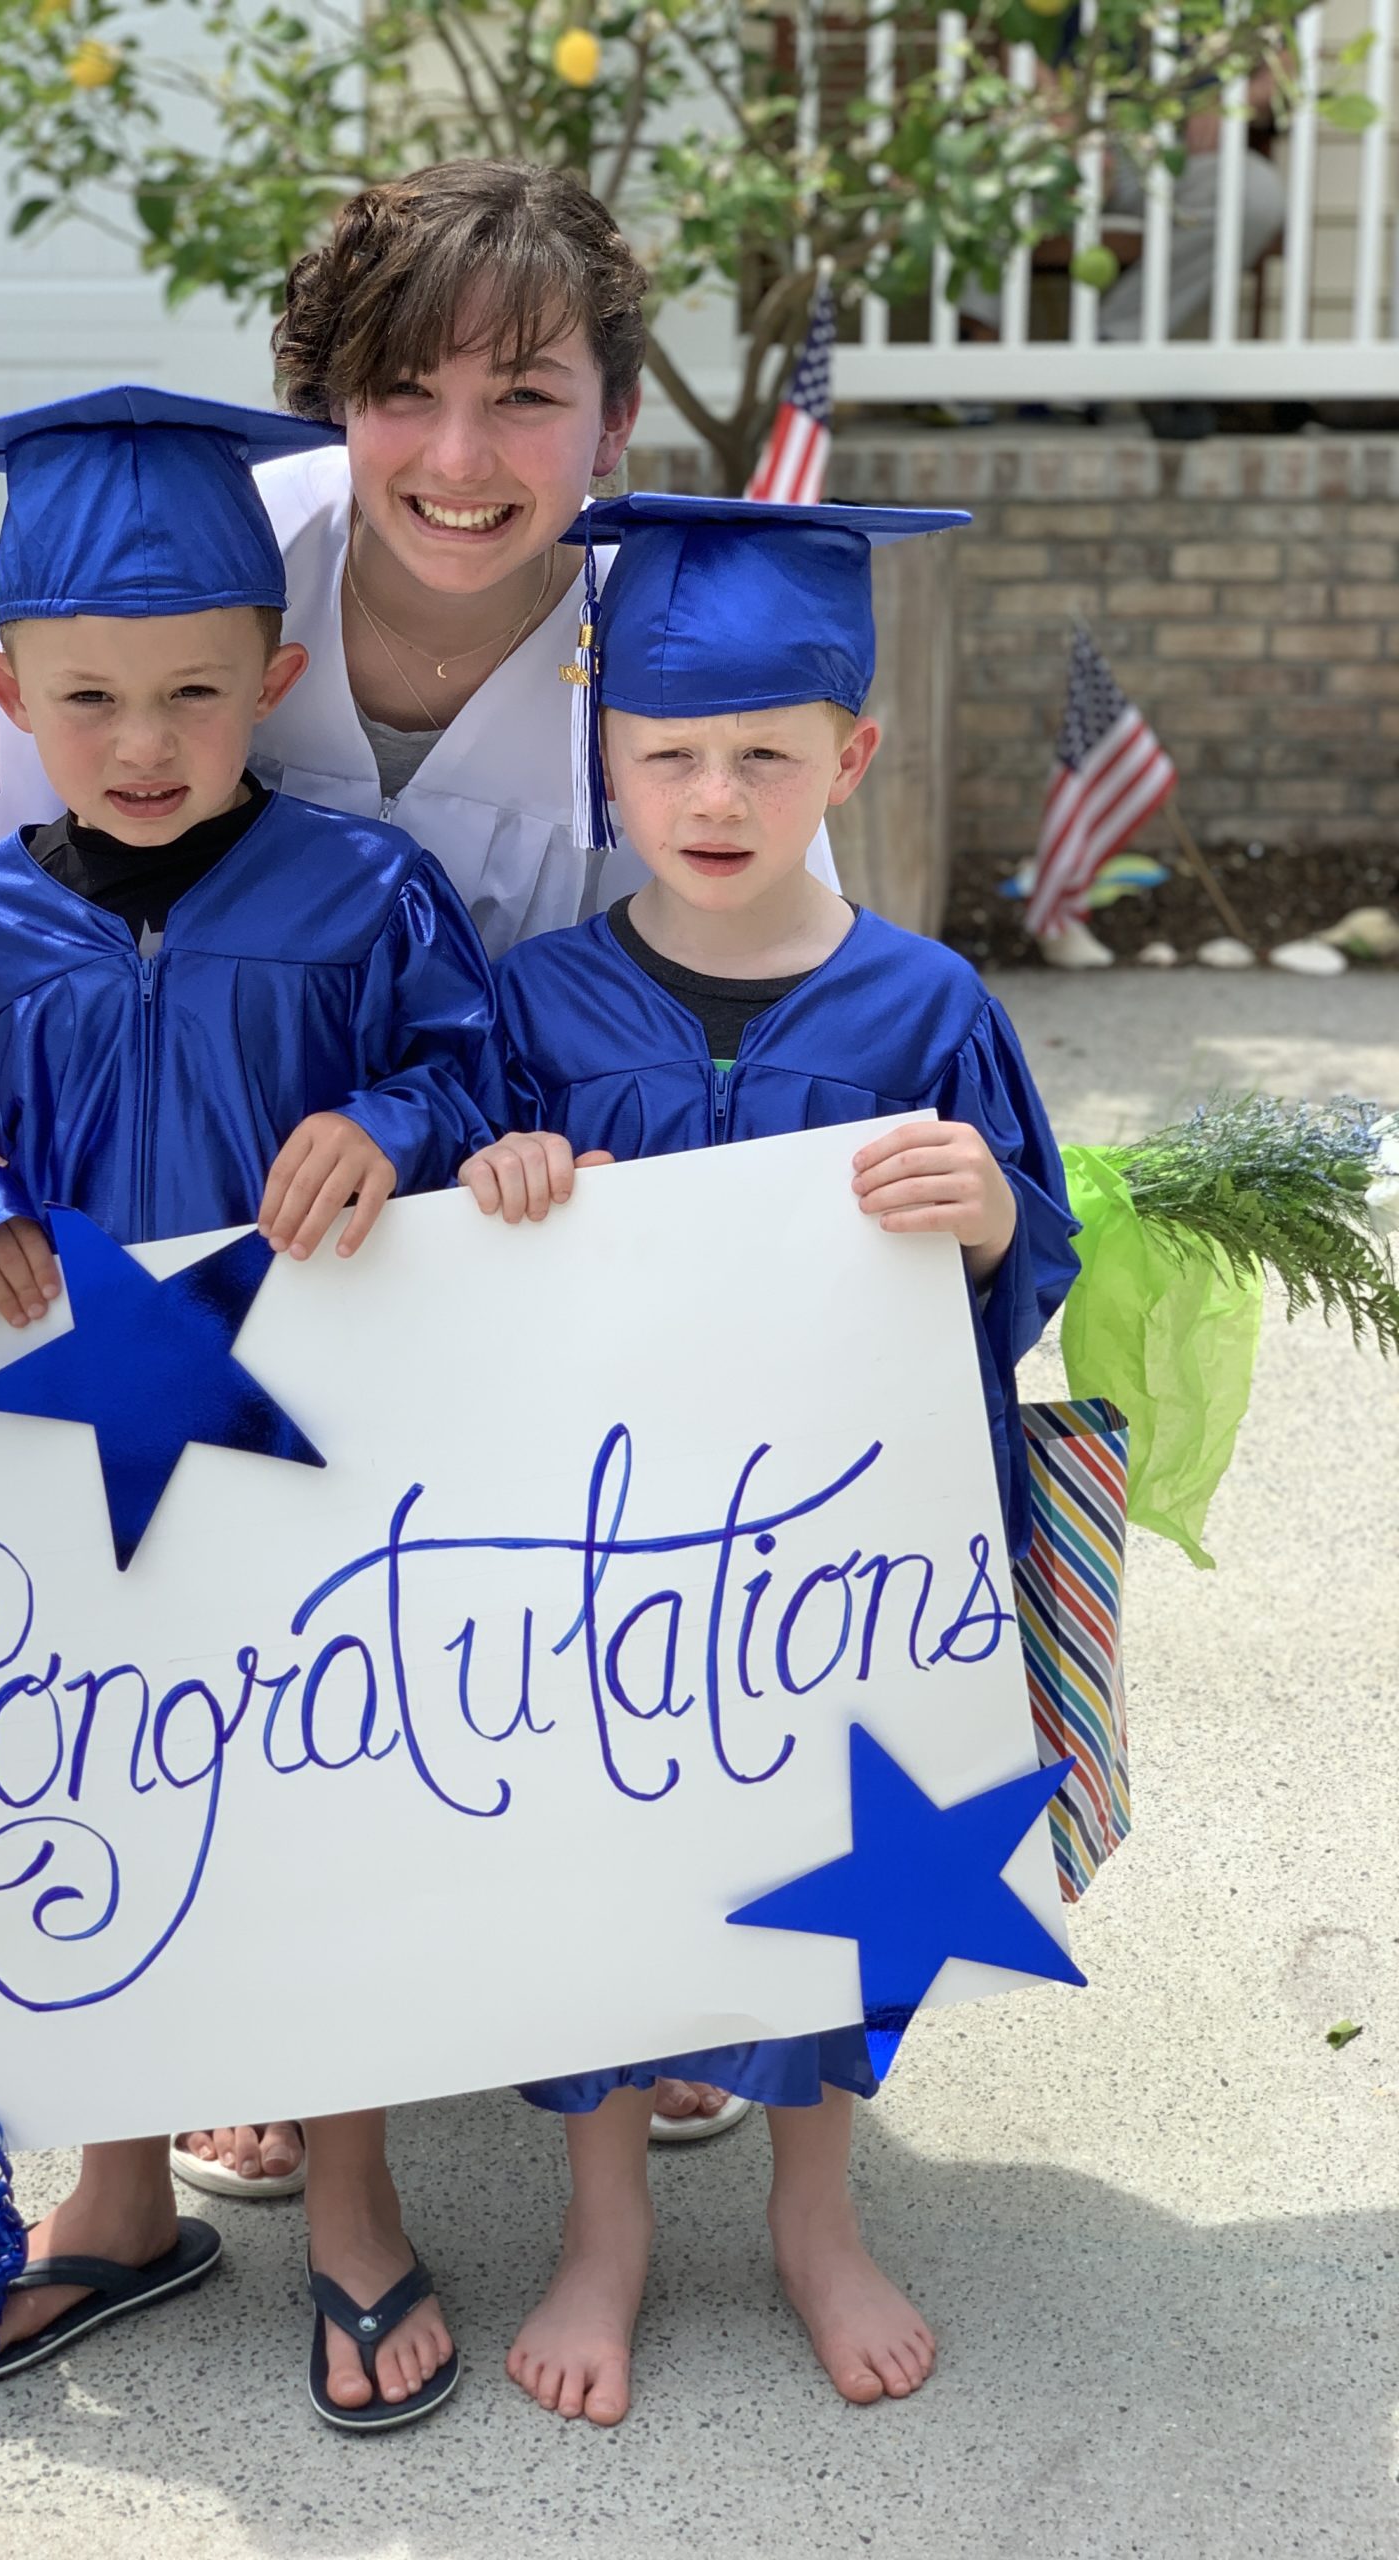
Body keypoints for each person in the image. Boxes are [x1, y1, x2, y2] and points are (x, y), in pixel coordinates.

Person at [0, 160, 809, 2179]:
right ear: (324, 400)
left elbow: (769, 936)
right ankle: (249, 1981)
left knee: (581, 1553)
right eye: (405, 392)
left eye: (527, 394)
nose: (460, 458)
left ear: (611, 422)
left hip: (534, 1184)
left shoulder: (674, 635)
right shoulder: (194, 563)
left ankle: (654, 1942)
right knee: (216, 1587)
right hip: (213, 1192)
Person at [0, 382, 506, 2430]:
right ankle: (119, 2192)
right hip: (65, 1454)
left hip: (314, 1446)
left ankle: (350, 2193)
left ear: (278, 675)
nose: (142, 744)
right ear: (8, 687)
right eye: (88, 700)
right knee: (93, 1809)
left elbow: (474, 1077)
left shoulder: (363, 888)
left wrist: (386, 1122)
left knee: (316, 1811)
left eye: (193, 693)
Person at [458, 493, 1081, 2428]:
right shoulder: (540, 1006)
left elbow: (1031, 1257)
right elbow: (446, 1280)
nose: (712, 794)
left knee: (844, 1852)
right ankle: (605, 2222)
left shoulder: (925, 1007)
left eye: (764, 754)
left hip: (838, 1560)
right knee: (607, 1852)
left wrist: (983, 1207)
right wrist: (503, 1182)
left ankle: (818, 2212)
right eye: (665, 754)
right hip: (615, 1550)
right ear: (603, 757)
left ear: (850, 757)